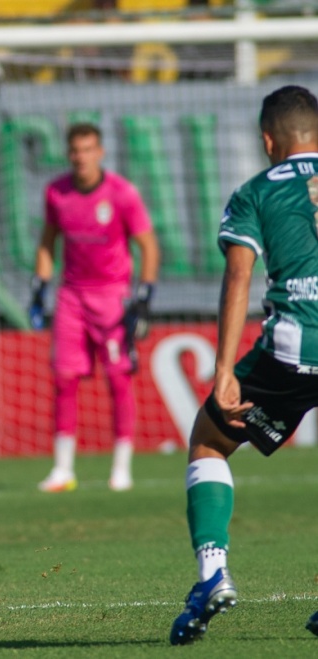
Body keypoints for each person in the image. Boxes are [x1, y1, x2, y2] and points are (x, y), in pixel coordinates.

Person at [169, 85, 318, 645]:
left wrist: (225, 365)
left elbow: (239, 276)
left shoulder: (256, 191)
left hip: (291, 351)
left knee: (209, 440)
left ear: (267, 140)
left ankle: (212, 574)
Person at [30, 122, 160, 493]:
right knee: (64, 379)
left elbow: (148, 246)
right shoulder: (56, 192)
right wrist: (39, 286)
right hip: (72, 295)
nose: (81, 157)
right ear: (68, 154)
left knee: (118, 379)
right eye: (75, 151)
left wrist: (145, 296)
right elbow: (47, 242)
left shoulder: (122, 194)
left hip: (112, 296)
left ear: (100, 153)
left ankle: (121, 468)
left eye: (88, 150)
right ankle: (63, 468)